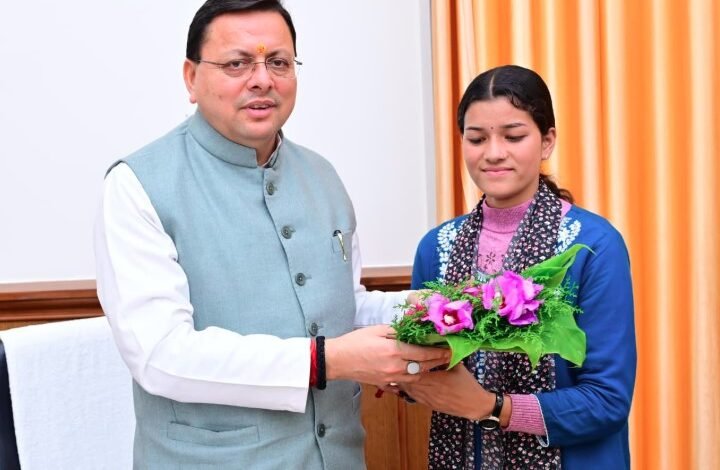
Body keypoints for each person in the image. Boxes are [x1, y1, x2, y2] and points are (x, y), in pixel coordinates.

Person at [93, 1, 449, 468]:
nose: (262, 80)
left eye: (278, 62)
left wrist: (434, 310)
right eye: (237, 63)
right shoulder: (137, 185)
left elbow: (342, 308)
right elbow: (160, 354)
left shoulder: (323, 177)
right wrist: (325, 361)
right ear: (191, 78)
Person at [402, 65, 636, 469]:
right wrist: (404, 375)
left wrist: (493, 407)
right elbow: (425, 363)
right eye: (477, 138)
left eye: (513, 136)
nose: (493, 152)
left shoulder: (593, 246)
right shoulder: (437, 247)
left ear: (547, 142)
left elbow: (607, 400)